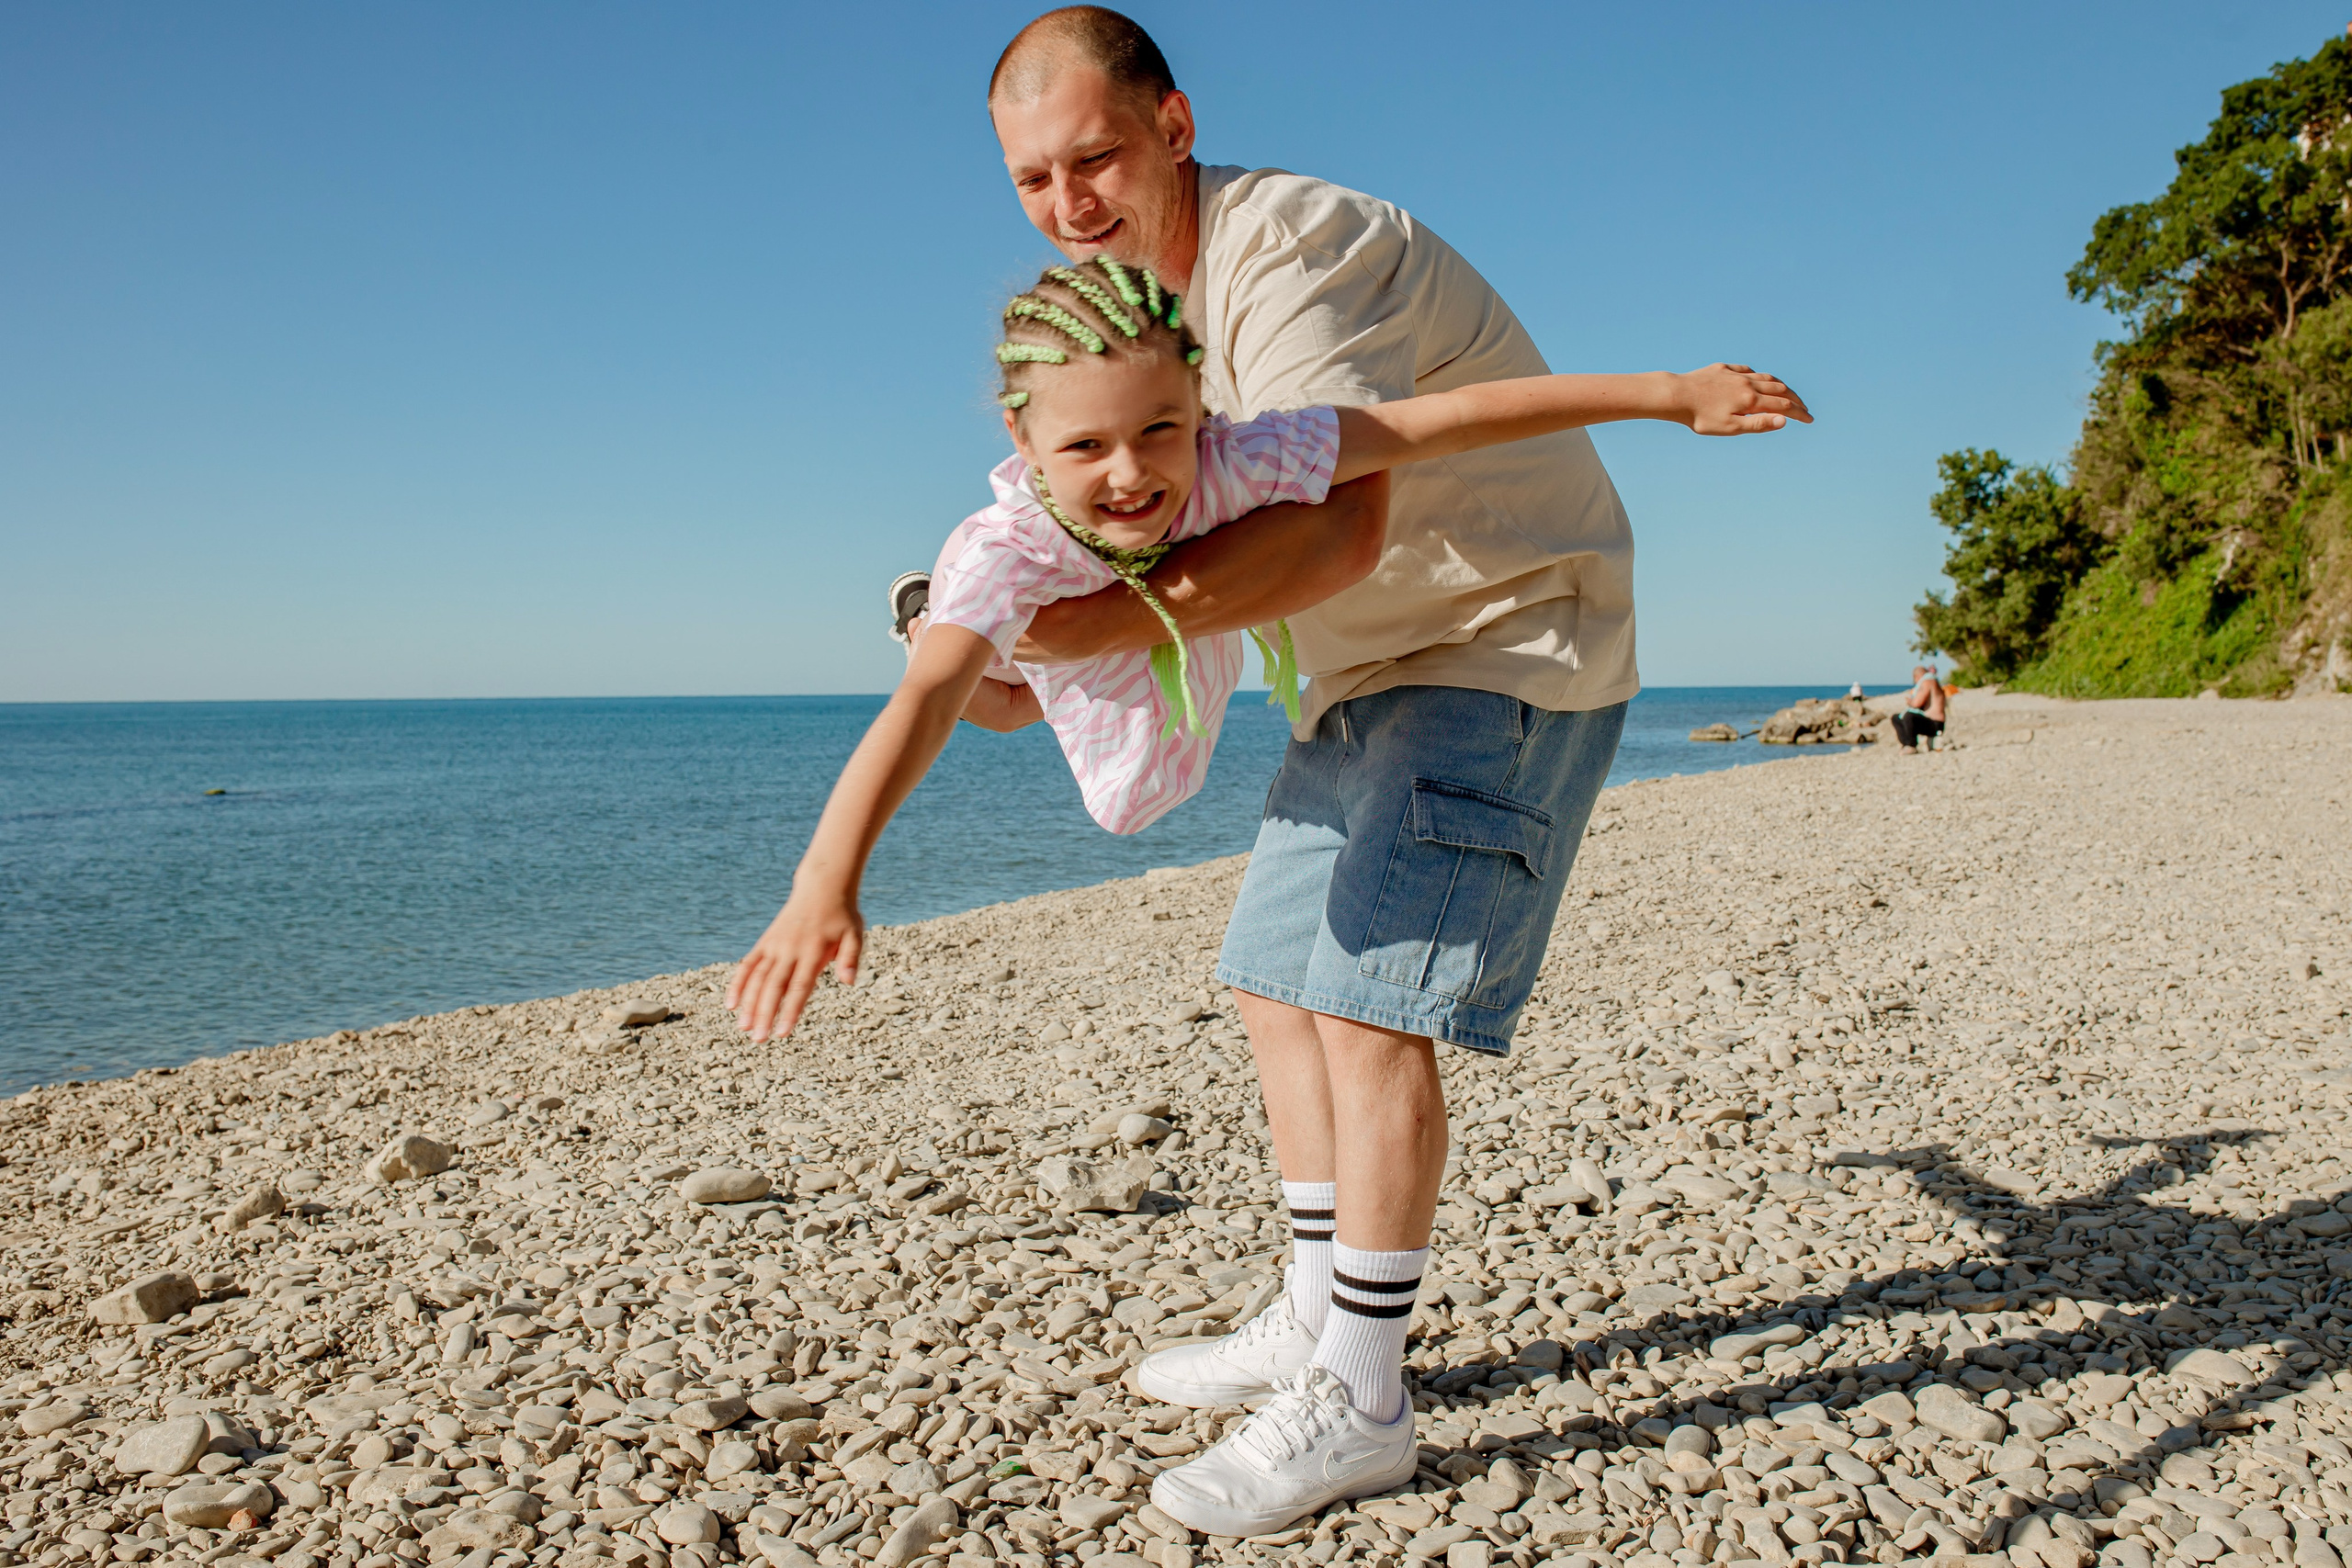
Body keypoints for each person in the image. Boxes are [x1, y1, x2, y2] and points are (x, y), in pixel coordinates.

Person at [758, 6, 1808, 1537]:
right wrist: (999, 642)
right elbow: (990, 682)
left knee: (1370, 998)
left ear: (1175, 124)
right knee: (1274, 980)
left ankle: (1363, 1394)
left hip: (1498, 630)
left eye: (1097, 158)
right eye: (1034, 182)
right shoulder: (1135, 354)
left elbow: (1342, 523)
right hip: (1363, 670)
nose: (1072, 202)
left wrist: (1665, 387)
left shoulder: (1288, 255)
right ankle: (1317, 1310)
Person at [1892, 663, 1947, 752]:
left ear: (1917, 677)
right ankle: (1905, 743)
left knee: (1909, 716)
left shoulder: (1928, 681)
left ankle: (1911, 745)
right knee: (1896, 718)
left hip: (1935, 724)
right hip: (1932, 722)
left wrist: (1910, 701)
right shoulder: (1932, 681)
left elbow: (1917, 703)